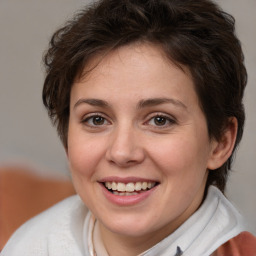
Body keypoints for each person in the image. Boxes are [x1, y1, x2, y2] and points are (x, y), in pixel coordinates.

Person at [1, 0, 256, 255]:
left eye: (159, 120)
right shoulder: (25, 245)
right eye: (96, 119)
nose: (122, 152)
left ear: (220, 142)